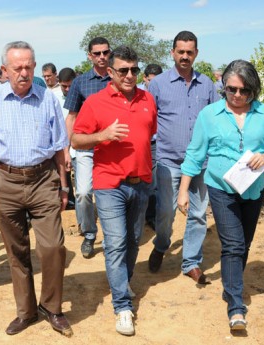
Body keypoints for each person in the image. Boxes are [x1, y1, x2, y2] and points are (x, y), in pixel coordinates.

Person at [0, 41, 73, 337]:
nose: (24, 73)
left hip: (43, 181)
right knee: (17, 251)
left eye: (29, 66)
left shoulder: (48, 99)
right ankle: (26, 312)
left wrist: (64, 185)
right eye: (18, 68)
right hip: (6, 181)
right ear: (5, 70)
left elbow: (60, 146)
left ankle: (51, 307)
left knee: (53, 247)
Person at [178, 59, 264, 330]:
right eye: (232, 89)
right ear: (223, 88)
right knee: (233, 245)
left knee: (245, 244)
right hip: (221, 188)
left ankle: (231, 285)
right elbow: (195, 153)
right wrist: (183, 190)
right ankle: (236, 307)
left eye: (245, 91)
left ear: (254, 90)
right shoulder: (210, 115)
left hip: (253, 189)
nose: (237, 96)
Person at [72, 46, 157, 336]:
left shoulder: (148, 99)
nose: (130, 75)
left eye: (134, 69)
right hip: (110, 184)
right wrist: (102, 136)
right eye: (123, 70)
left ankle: (123, 281)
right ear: (111, 72)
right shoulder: (96, 103)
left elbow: (150, 134)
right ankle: (122, 306)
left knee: (134, 240)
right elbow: (76, 139)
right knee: (116, 242)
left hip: (142, 183)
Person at [147, 31, 219, 283]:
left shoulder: (208, 85)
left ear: (196, 53)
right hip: (168, 161)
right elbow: (148, 120)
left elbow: (216, 120)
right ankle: (161, 245)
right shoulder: (158, 84)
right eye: (181, 51)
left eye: (190, 52)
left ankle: (190, 262)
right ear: (173, 53)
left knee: (199, 214)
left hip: (201, 162)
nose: (185, 56)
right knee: (165, 212)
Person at [64, 37, 111, 258]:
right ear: (90, 56)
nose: (102, 57)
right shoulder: (80, 82)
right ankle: (90, 234)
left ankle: (114, 236)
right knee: (83, 193)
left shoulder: (118, 79)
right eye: (97, 53)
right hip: (85, 148)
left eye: (105, 52)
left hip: (112, 150)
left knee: (110, 194)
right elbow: (71, 117)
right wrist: (66, 149)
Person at [138, 64, 164, 229]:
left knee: (153, 181)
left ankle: (151, 216)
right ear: (144, 78)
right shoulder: (137, 94)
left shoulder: (164, 92)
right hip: (139, 143)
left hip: (155, 143)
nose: (153, 85)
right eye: (150, 81)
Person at [55, 67, 77, 209]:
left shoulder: (81, 94)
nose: (68, 89)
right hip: (60, 144)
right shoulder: (52, 97)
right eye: (64, 86)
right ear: (59, 83)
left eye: (71, 85)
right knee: (63, 176)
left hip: (79, 143)